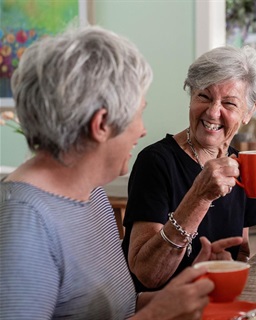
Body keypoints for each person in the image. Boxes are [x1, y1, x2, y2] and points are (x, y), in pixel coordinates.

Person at [0, 25, 214, 319]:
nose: (142, 129)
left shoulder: (92, 195)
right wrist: (155, 316)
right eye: (137, 114)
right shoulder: (25, 223)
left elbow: (114, 311)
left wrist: (177, 297)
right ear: (101, 124)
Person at [122, 45, 256, 291]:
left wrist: (228, 266)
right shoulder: (156, 162)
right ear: (191, 96)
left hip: (216, 301)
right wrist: (200, 195)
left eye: (229, 103)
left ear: (249, 112)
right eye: (204, 96)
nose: (213, 112)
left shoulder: (242, 165)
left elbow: (241, 251)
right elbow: (146, 274)